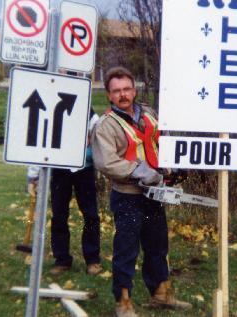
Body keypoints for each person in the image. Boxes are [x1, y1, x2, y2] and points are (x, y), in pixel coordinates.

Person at [91, 66, 191, 317]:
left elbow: (162, 141)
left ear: (134, 90)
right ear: (109, 96)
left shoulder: (149, 114)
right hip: (128, 195)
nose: (123, 95)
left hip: (154, 193)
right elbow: (106, 162)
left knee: (158, 245)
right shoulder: (106, 125)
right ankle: (122, 302)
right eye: (116, 91)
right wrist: (138, 170)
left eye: (126, 89)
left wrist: (169, 169)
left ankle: (161, 292)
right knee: (127, 249)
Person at [49, 107, 102, 276]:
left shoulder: (88, 109)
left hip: (84, 168)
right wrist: (33, 175)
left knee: (91, 215)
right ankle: (62, 259)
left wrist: (90, 145)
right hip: (59, 169)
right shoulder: (51, 107)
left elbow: (98, 133)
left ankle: (93, 259)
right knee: (58, 215)